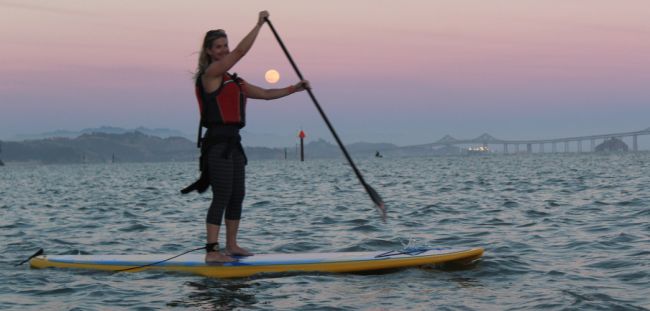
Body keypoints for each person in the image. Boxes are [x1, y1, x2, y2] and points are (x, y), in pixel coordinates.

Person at [183, 11, 309, 263]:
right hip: (217, 144)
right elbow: (239, 53)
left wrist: (294, 89)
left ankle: (231, 245)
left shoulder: (234, 81)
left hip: (234, 144)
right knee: (222, 194)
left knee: (237, 194)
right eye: (219, 47)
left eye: (225, 45)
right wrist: (259, 25)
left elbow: (264, 93)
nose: (224, 50)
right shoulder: (210, 75)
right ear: (209, 51)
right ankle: (211, 252)